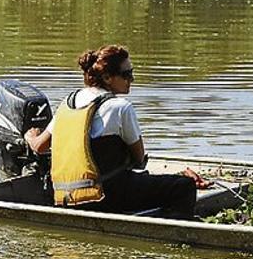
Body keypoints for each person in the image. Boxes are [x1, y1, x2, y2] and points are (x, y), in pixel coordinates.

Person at [24, 44, 210, 218]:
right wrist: (177, 176)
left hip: (65, 198)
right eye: (127, 74)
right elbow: (139, 159)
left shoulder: (67, 103)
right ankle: (173, 235)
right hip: (106, 197)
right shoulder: (120, 107)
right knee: (184, 187)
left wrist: (30, 136)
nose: (132, 79)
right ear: (107, 78)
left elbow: (39, 147)